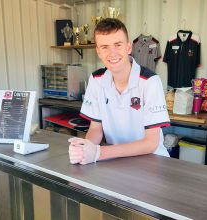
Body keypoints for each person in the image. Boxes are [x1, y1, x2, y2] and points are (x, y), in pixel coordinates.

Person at [68, 18, 170, 165]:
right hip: (115, 161)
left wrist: (99, 152)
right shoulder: (96, 79)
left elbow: (151, 142)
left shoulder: (150, 81)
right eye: (104, 47)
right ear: (98, 52)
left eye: (118, 45)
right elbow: (96, 129)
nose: (112, 53)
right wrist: (85, 149)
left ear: (129, 47)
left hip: (151, 163)